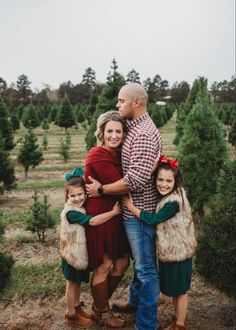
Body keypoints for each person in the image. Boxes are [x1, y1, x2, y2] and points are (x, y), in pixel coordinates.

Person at [86, 83, 163, 330]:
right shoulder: (135, 126)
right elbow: (113, 128)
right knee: (126, 264)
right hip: (121, 211)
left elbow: (136, 180)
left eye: (121, 101)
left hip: (136, 210)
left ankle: (145, 324)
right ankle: (123, 304)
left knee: (145, 268)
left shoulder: (141, 134)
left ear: (136, 103)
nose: (117, 105)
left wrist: (101, 189)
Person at [123, 155, 198, 330]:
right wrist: (155, 165)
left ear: (176, 181)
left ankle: (180, 325)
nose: (163, 184)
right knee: (176, 290)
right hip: (172, 252)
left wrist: (132, 207)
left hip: (178, 254)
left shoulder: (173, 202)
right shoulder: (171, 194)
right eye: (160, 180)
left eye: (168, 181)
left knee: (180, 291)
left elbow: (153, 219)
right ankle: (178, 319)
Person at [60, 167, 122, 328]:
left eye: (80, 194)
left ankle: (77, 308)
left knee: (77, 283)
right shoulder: (71, 212)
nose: (77, 198)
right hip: (72, 255)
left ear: (86, 194)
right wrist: (113, 213)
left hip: (78, 254)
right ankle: (70, 314)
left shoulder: (79, 207)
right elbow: (93, 221)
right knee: (72, 284)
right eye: (72, 195)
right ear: (67, 196)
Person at [85, 110, 130, 328]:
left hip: (116, 213)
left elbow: (121, 185)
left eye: (118, 131)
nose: (114, 135)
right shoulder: (97, 154)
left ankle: (98, 307)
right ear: (101, 133)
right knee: (104, 264)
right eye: (109, 131)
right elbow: (123, 183)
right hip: (101, 213)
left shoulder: (117, 155)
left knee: (121, 263)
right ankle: (102, 312)